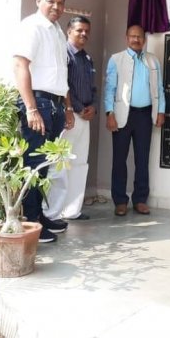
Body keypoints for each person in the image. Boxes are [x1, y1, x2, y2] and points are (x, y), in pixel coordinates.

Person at [14, 0, 75, 244]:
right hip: (38, 102)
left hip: (56, 103)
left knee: (45, 167)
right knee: (33, 164)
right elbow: (19, 66)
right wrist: (31, 108)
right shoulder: (32, 26)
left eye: (60, 3)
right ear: (38, 0)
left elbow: (61, 73)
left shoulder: (58, 31)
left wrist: (68, 107)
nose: (56, 7)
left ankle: (40, 216)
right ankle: (32, 221)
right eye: (51, 1)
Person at [104, 25, 165, 216]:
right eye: (132, 36)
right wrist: (109, 113)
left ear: (144, 39)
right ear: (126, 38)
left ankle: (140, 199)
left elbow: (159, 89)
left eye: (139, 37)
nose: (136, 39)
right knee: (119, 159)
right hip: (123, 114)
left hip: (145, 115)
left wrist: (161, 111)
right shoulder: (116, 59)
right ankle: (120, 201)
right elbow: (109, 89)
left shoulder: (152, 60)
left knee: (142, 159)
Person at [44, 15, 97, 222]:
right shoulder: (63, 54)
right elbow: (63, 85)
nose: (83, 34)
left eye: (86, 31)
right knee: (60, 164)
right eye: (79, 30)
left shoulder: (87, 58)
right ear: (69, 31)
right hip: (68, 116)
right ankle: (53, 212)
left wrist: (92, 106)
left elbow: (92, 87)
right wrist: (74, 108)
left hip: (84, 117)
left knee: (80, 163)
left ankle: (72, 210)